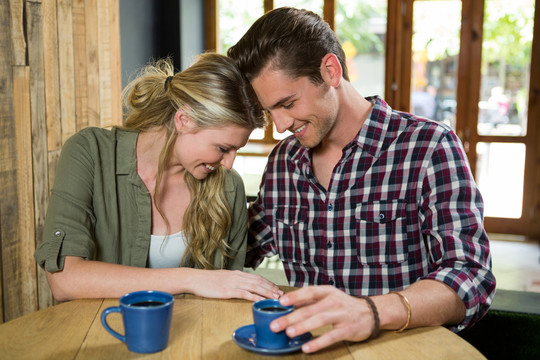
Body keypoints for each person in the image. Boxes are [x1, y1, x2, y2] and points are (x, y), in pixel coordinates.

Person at [227, 7, 496, 353]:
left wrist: (371, 311)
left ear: (331, 71)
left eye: (288, 104)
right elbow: (235, 250)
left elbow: (471, 276)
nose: (279, 126)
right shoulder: (283, 163)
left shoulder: (428, 147)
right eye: (269, 112)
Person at [34, 52, 283, 302]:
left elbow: (227, 295)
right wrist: (191, 279)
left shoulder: (229, 188)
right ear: (184, 120)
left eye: (236, 150)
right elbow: (64, 280)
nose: (229, 165)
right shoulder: (89, 152)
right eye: (222, 148)